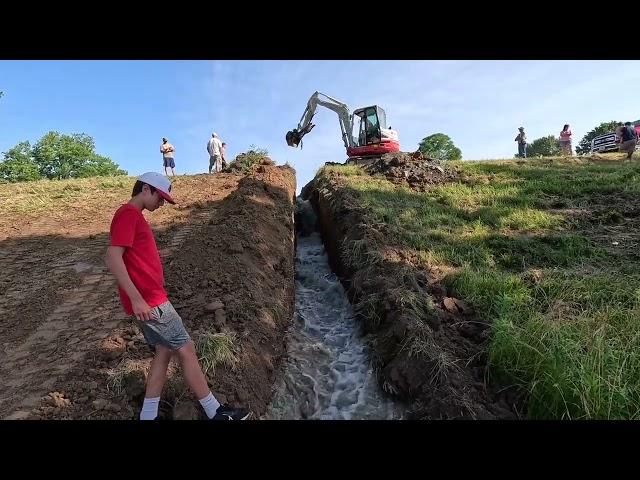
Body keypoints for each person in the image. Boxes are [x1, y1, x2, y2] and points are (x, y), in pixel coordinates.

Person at [105, 172, 249, 421]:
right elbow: (113, 257)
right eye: (159, 198)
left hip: (149, 299)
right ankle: (214, 411)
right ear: (146, 189)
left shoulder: (133, 216)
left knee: (163, 350)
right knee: (187, 348)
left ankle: (148, 415)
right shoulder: (128, 214)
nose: (161, 204)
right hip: (151, 301)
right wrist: (137, 299)